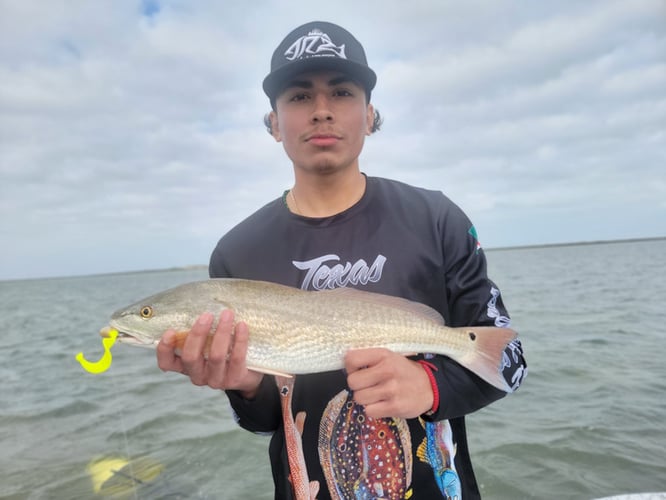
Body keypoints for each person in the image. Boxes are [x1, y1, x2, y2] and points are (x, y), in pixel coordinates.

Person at [157, 21, 527, 500]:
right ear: (273, 122)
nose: (322, 111)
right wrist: (245, 387)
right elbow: (267, 420)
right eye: (298, 97)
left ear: (370, 114)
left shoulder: (436, 219)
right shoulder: (236, 252)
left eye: (342, 92)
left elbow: (509, 360)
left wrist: (430, 386)